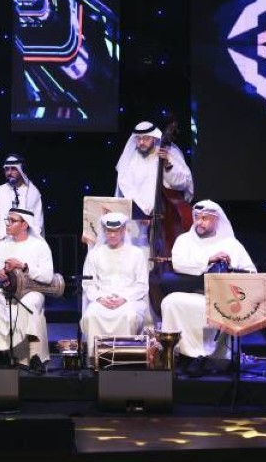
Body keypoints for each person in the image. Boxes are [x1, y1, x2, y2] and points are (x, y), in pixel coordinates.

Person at [160, 200, 255, 377]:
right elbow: (179, 264)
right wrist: (209, 260)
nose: (199, 222)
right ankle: (181, 354)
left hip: (222, 297)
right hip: (192, 292)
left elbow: (250, 273)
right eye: (197, 217)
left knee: (220, 308)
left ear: (216, 220)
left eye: (205, 218)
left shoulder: (231, 244)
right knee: (170, 302)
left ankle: (206, 358)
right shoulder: (184, 240)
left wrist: (230, 270)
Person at [0, 207, 53, 373]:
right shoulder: (0, 246)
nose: (7, 224)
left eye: (12, 221)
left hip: (31, 290)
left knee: (28, 304)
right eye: (7, 220)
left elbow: (48, 277)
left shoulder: (39, 246)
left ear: (25, 224)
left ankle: (31, 356)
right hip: (4, 289)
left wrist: (23, 266)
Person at [80, 212, 148, 360]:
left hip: (129, 300)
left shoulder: (137, 254)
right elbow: (88, 282)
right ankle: (95, 359)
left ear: (123, 231)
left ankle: (125, 359)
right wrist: (100, 298)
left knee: (128, 316)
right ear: (104, 231)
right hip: (102, 299)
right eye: (109, 231)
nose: (112, 235)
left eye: (116, 231)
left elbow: (142, 285)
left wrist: (124, 298)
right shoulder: (94, 254)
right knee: (91, 316)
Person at [114, 120, 195, 219]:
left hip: (166, 214)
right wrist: (144, 208)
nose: (141, 142)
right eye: (138, 139)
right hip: (138, 214)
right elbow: (126, 187)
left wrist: (167, 163)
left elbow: (182, 183)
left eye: (146, 138)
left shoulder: (168, 153)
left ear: (154, 138)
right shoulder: (130, 160)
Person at [0, 154, 45, 237]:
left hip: (26, 242)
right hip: (2, 241)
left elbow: (38, 223)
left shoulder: (33, 193)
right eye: (7, 169)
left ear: (21, 170)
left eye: (13, 169)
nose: (9, 173)